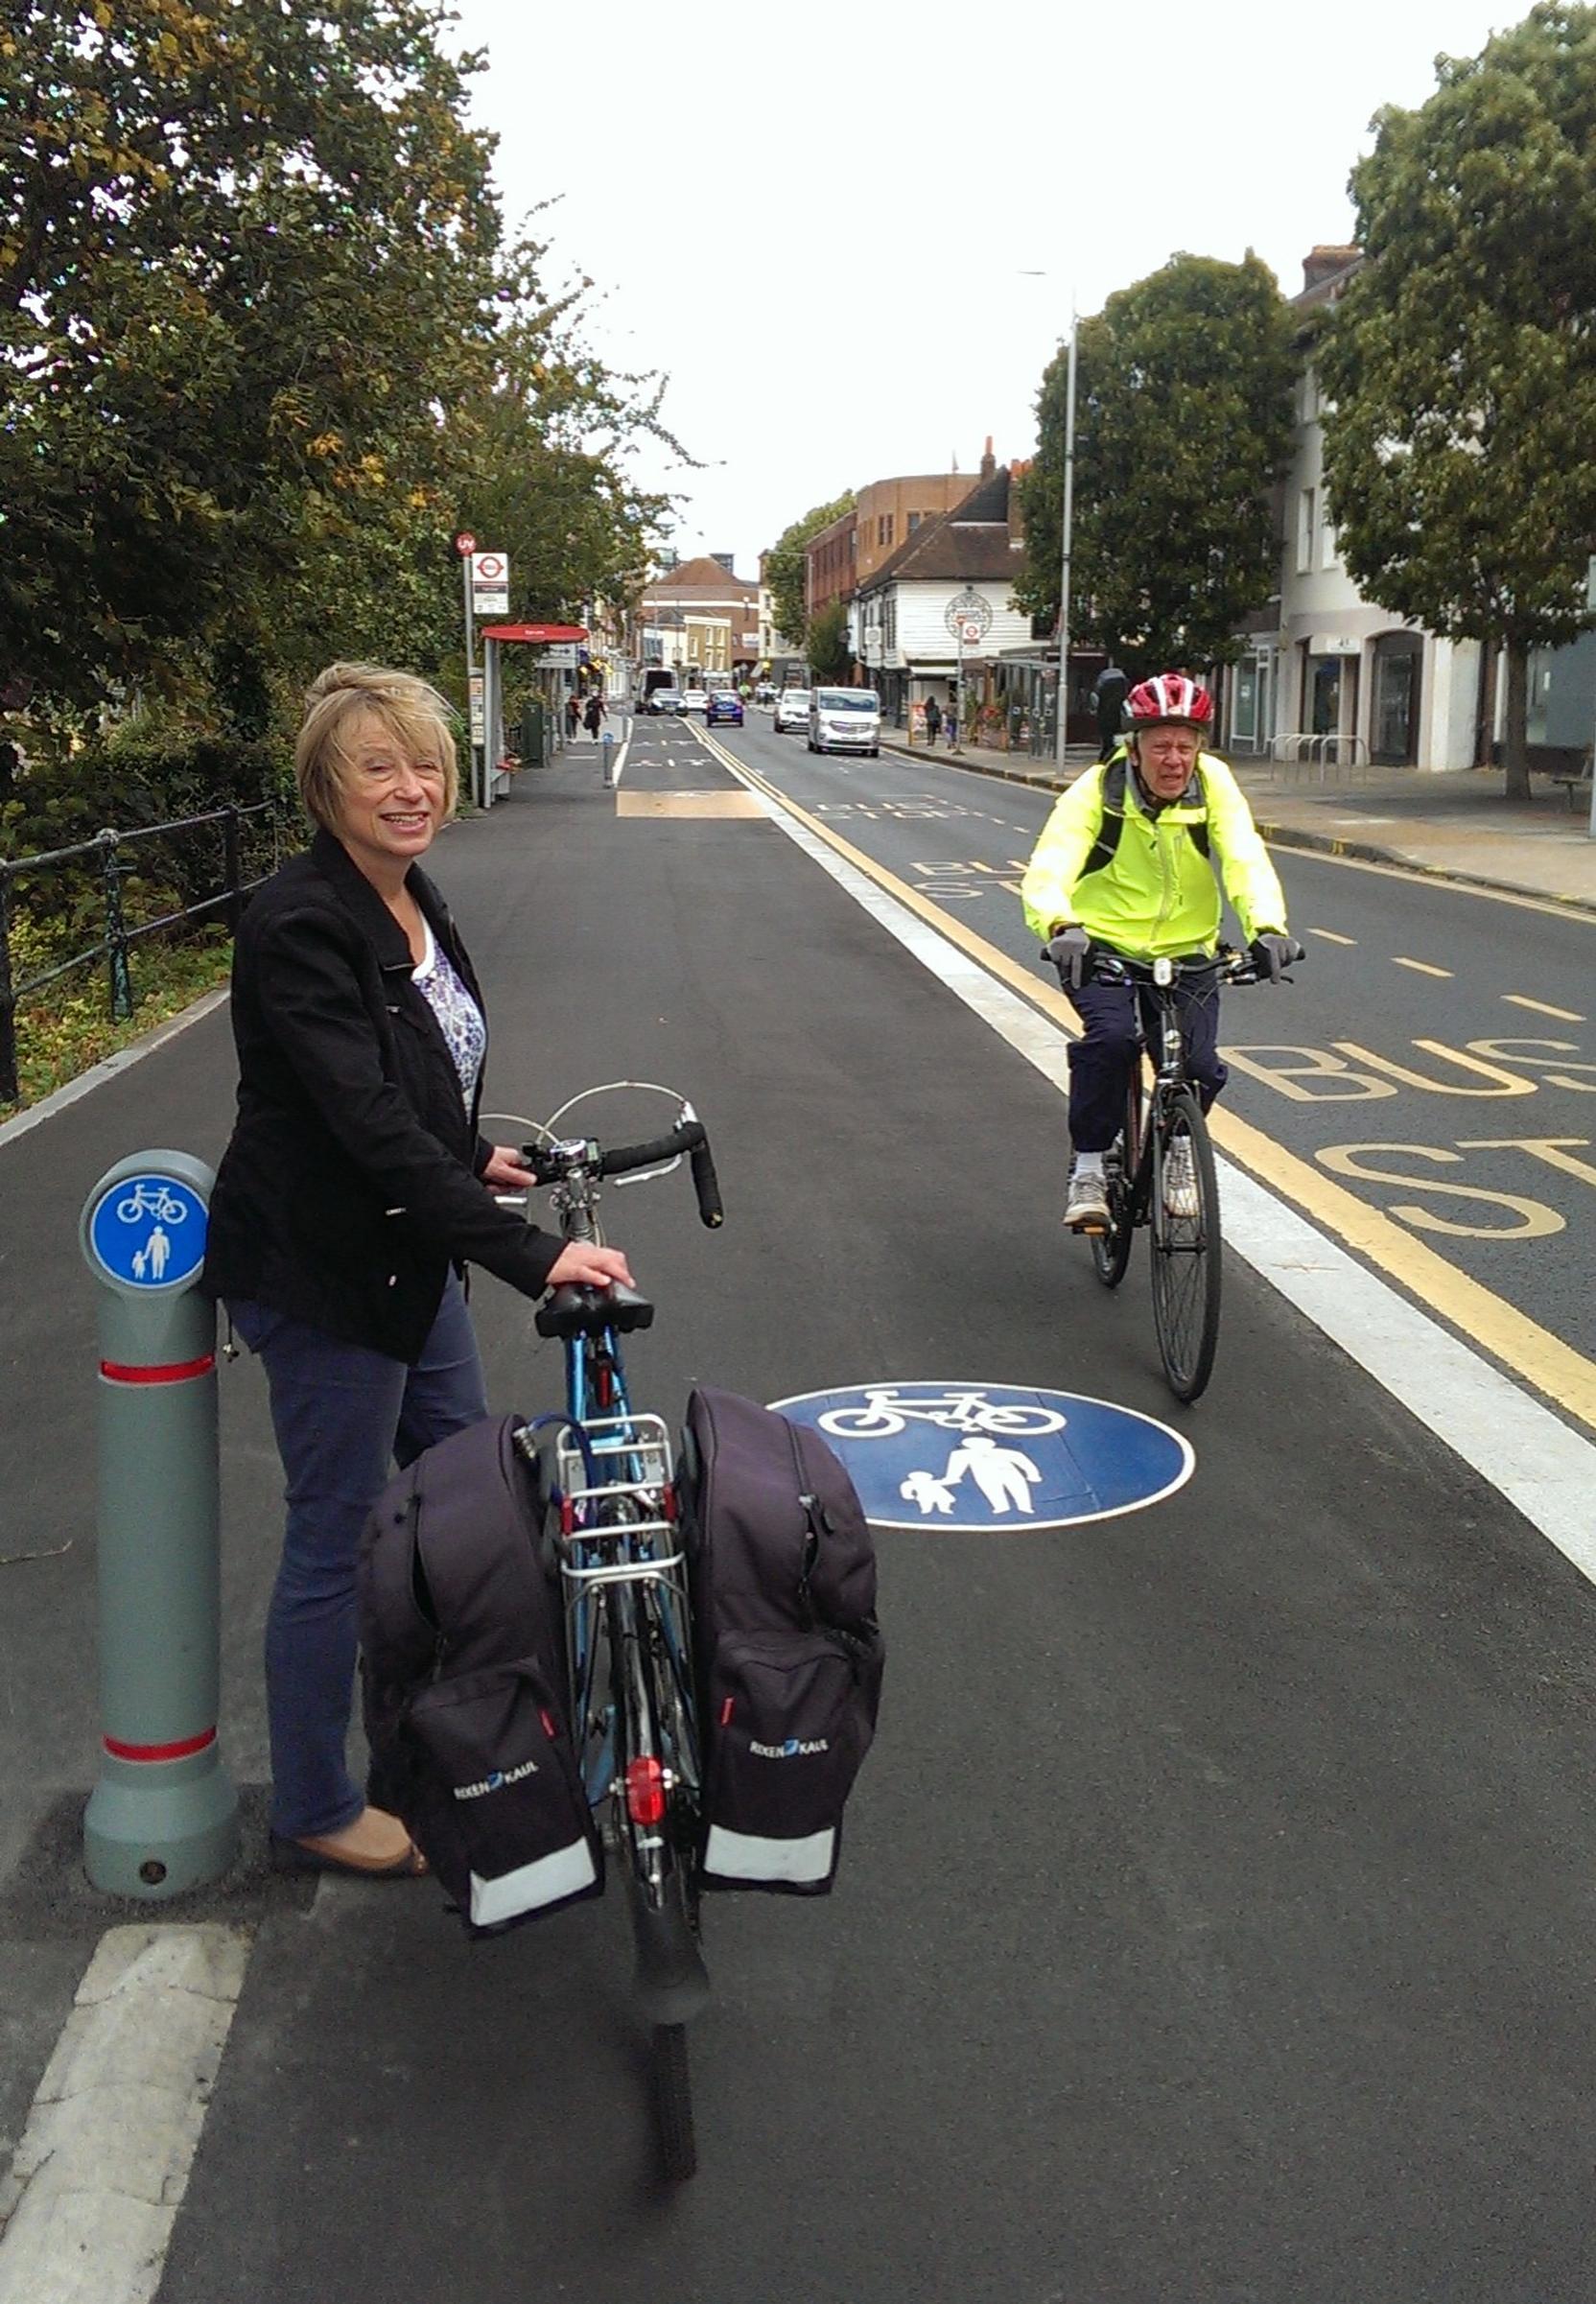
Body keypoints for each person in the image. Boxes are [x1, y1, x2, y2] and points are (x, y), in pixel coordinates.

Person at [202, 663, 632, 1879]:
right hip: (328, 1272)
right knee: (334, 1537)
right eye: (377, 767)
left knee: (465, 1495)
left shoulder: (410, 895)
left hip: (412, 1252)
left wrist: (471, 1152)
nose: (411, 787)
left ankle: (463, 1734)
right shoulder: (299, 923)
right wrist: (538, 1254)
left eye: (424, 763)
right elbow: (359, 1123)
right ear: (325, 790)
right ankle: (316, 1805)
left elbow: (416, 1082)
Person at [1020, 671, 1303, 1232]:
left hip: (1189, 950)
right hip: (1100, 947)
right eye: (1160, 746)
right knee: (1113, 1041)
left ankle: (1176, 1149)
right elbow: (1051, 865)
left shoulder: (1213, 784)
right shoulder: (1099, 790)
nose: (1174, 760)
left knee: (1197, 1067)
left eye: (1186, 745)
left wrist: (1268, 927)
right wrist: (1060, 926)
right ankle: (1091, 1166)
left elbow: (1244, 856)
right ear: (1134, 745)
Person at [1091, 660, 1129, 763]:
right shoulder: (1124, 696)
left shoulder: (1103, 684)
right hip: (1122, 722)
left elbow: (1095, 701)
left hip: (1105, 720)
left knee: (1107, 745)